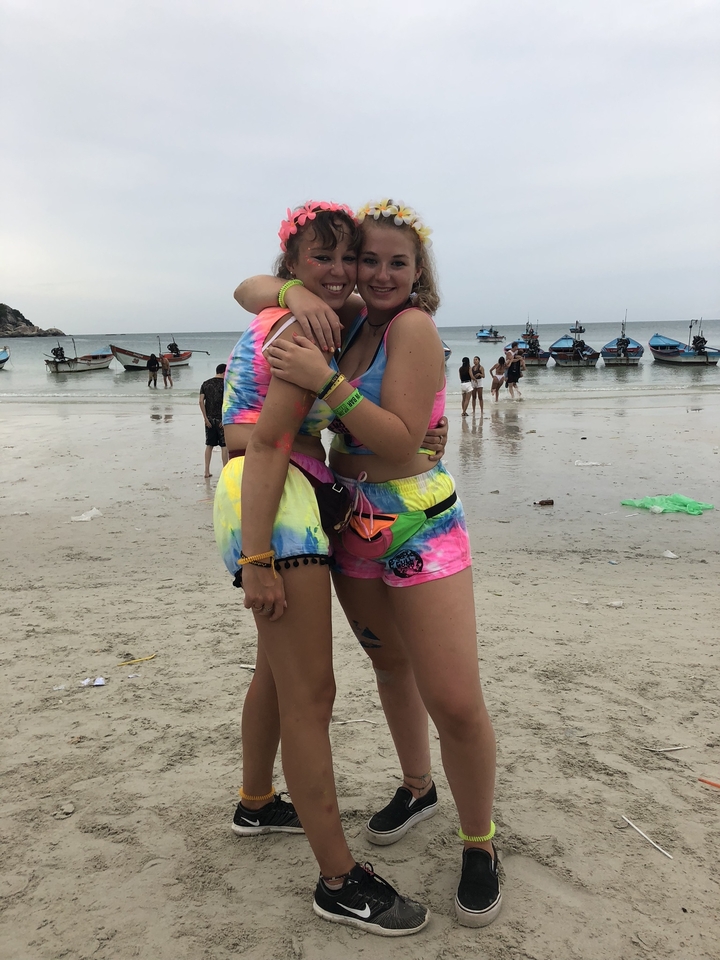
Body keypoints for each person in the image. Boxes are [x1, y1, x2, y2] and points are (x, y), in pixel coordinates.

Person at [259, 199, 501, 928]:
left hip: (418, 521)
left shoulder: (412, 327)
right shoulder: (350, 321)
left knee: (454, 699)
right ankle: (419, 786)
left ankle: (481, 842)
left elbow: (399, 444)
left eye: (399, 262)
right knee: (390, 670)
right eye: (370, 260)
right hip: (350, 522)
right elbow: (249, 289)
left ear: (418, 272)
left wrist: (323, 381)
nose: (381, 273)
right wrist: (292, 292)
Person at [214, 202, 431, 936]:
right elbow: (270, 443)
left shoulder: (298, 311)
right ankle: (339, 880)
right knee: (313, 692)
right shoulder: (299, 326)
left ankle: (254, 802)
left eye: (350, 256)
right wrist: (255, 559)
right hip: (274, 500)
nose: (341, 272)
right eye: (322, 258)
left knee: (276, 674)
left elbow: (248, 422)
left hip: (275, 490)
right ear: (294, 261)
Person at [199, 363, 228, 478]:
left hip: (209, 419)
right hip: (222, 419)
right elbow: (228, 402)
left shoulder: (205, 384)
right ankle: (225, 471)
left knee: (209, 445)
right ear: (224, 372)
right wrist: (225, 418)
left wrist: (205, 418)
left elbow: (201, 401)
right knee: (224, 446)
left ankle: (206, 471)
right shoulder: (226, 384)